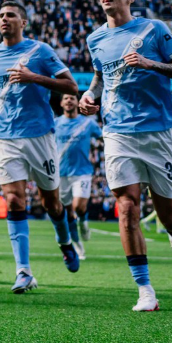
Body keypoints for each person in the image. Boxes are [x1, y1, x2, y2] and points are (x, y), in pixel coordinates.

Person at [79, 0, 172, 312]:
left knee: (169, 216)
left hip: (158, 130)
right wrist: (89, 95)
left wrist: (149, 63)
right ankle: (145, 290)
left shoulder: (153, 29)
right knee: (127, 206)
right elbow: (100, 77)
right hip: (117, 131)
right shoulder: (95, 39)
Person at [0, 0, 80, 294]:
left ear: (23, 22)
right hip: (4, 136)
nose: (4, 19)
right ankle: (23, 271)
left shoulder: (40, 51)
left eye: (10, 15)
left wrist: (33, 78)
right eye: (0, 16)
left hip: (39, 135)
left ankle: (64, 241)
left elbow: (71, 86)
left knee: (51, 203)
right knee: (14, 200)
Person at [55, 94, 103, 260]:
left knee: (78, 207)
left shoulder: (87, 123)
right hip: (61, 174)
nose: (69, 100)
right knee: (68, 213)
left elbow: (103, 137)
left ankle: (83, 221)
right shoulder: (55, 123)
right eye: (66, 98)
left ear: (77, 102)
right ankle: (77, 244)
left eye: (72, 98)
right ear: (61, 103)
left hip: (82, 172)